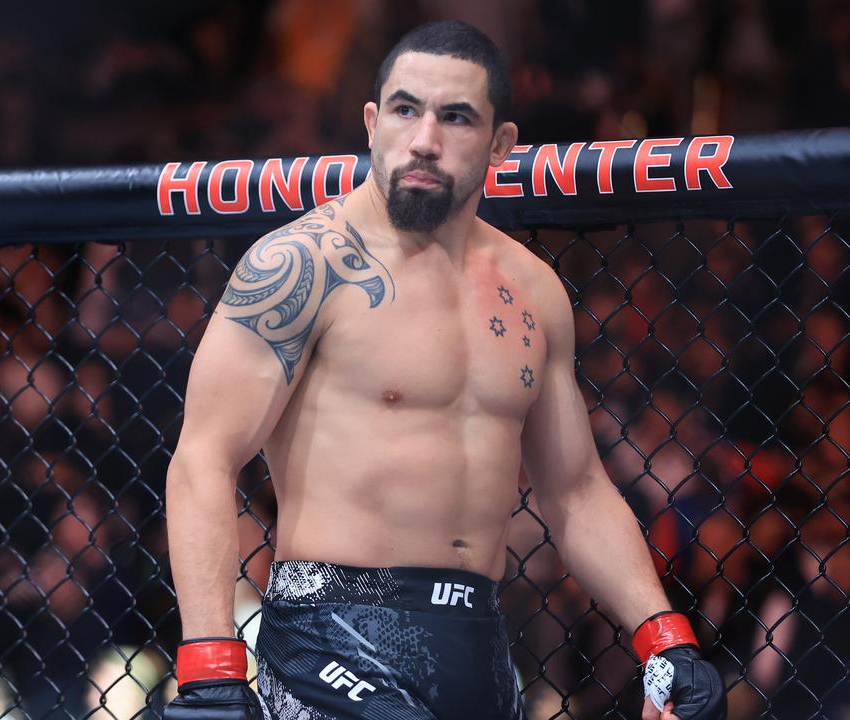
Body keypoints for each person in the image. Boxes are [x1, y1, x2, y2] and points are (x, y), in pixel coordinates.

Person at [164, 20, 725, 720]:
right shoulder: (301, 265)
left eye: (455, 117)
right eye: (405, 109)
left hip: (479, 639)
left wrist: (663, 637)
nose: (424, 138)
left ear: (500, 144)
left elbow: (575, 491)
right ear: (372, 123)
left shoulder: (532, 289)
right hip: (331, 630)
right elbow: (203, 460)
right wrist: (211, 666)